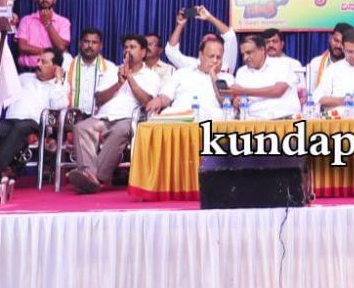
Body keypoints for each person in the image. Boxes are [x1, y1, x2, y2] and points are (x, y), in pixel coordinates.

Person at [68, 35, 160, 194]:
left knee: (120, 131)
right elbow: (99, 100)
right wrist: (118, 83)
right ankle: (89, 174)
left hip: (128, 119)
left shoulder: (151, 75)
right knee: (81, 127)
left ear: (143, 52)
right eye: (126, 47)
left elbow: (146, 101)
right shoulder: (111, 72)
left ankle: (96, 177)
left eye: (133, 47)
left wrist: (130, 78)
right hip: (103, 117)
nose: (128, 50)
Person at [0, 48, 68, 180]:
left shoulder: (59, 86)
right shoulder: (24, 78)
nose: (38, 64)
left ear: (56, 67)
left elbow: (60, 106)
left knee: (21, 128)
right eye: (38, 60)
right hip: (12, 120)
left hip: (36, 124)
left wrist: (58, 80)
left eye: (44, 62)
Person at [145, 37, 233, 121]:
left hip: (210, 122)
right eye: (211, 56)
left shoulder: (227, 78)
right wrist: (159, 101)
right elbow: (166, 96)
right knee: (165, 113)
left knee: (219, 114)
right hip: (181, 120)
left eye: (218, 57)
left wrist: (213, 74)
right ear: (201, 55)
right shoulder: (182, 73)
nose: (215, 61)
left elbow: (224, 101)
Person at [228, 35, 301, 119]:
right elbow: (240, 99)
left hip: (286, 117)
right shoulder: (241, 72)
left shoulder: (283, 64)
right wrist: (237, 101)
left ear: (262, 50)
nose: (245, 58)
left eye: (249, 53)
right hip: (255, 120)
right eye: (243, 54)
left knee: (299, 123)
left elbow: (277, 91)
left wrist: (243, 91)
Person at [166, 5, 238, 74]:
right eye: (205, 41)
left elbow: (230, 35)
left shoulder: (226, 62)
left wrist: (209, 18)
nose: (210, 44)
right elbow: (171, 51)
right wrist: (180, 24)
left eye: (213, 41)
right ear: (200, 52)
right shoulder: (193, 65)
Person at [14, 0, 71, 72]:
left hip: (52, 73)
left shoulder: (63, 22)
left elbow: (61, 47)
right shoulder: (26, 20)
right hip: (27, 71)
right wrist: (50, 51)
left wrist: (47, 23)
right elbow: (22, 47)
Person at [63, 28, 116, 117]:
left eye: (94, 42)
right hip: (72, 118)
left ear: (100, 46)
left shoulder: (110, 68)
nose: (90, 46)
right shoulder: (67, 66)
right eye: (86, 41)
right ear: (80, 44)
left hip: (98, 119)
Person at [309, 22, 353, 90]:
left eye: (342, 43)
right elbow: (310, 91)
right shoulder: (316, 63)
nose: (338, 46)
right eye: (336, 41)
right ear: (330, 38)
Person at [263, 28, 305, 93]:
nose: (271, 45)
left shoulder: (294, 64)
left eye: (274, 41)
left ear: (282, 44)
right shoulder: (258, 65)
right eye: (267, 42)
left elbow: (302, 87)